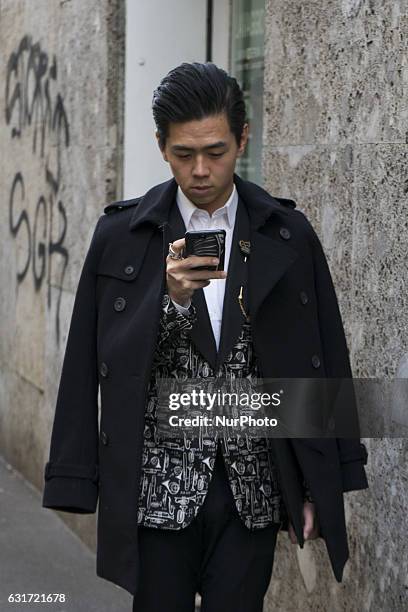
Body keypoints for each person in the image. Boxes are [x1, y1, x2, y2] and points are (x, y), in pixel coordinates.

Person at [42, 62, 369, 612]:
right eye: (183, 154)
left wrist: (320, 484)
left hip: (253, 493)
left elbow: (321, 360)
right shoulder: (121, 237)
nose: (199, 170)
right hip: (156, 495)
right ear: (160, 147)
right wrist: (171, 302)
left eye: (215, 152)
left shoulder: (287, 235)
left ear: (243, 139)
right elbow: (89, 363)